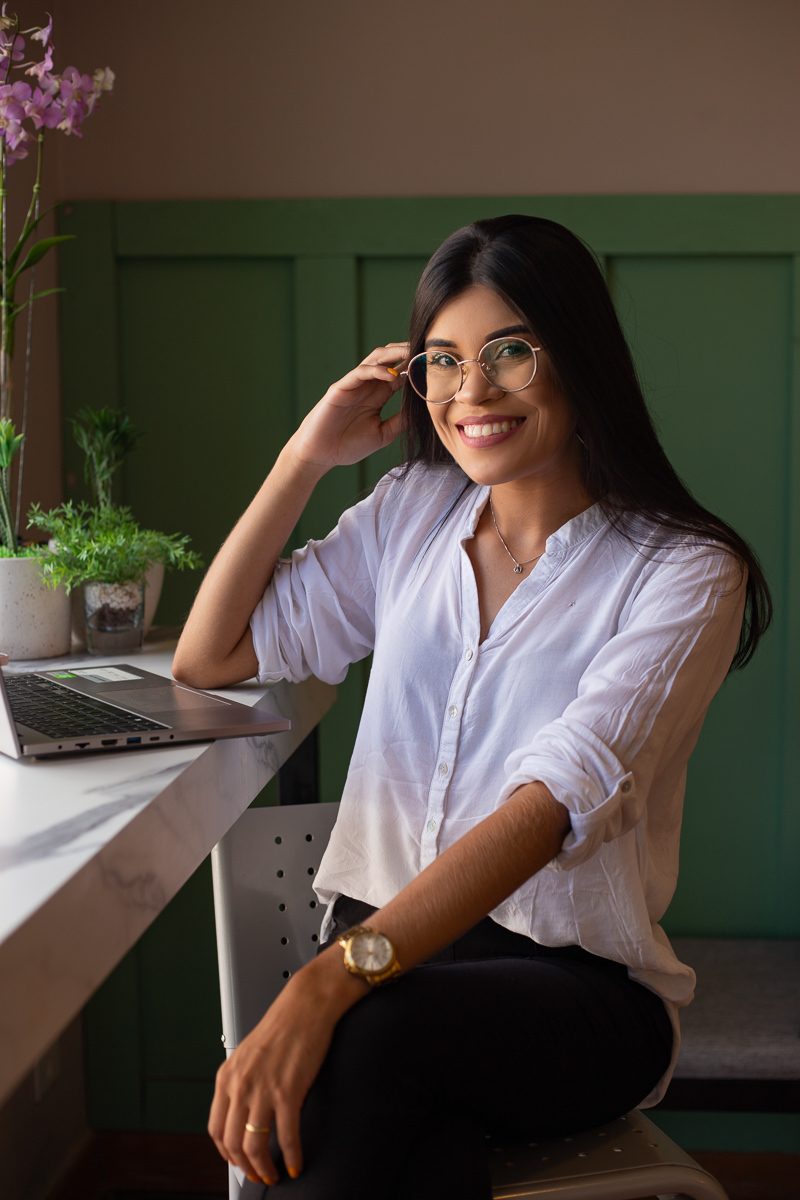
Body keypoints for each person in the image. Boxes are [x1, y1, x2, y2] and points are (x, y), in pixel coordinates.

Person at [173, 214, 771, 1200]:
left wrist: (329, 980)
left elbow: (549, 807)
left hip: (571, 992)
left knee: (370, 1041)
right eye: (441, 361)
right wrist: (305, 457)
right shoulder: (410, 510)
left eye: (508, 352)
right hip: (389, 978)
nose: (470, 392)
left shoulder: (682, 572)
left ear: (577, 359)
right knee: (401, 1126)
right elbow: (212, 656)